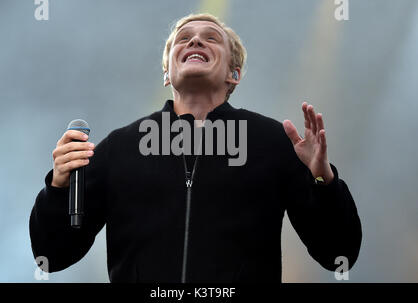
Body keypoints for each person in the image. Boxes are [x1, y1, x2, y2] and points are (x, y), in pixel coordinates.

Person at [29, 13, 362, 283]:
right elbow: (52, 255)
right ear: (166, 74)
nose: (196, 40)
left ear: (234, 74)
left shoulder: (273, 142)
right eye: (184, 38)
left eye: (211, 37)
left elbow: (339, 255)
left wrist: (323, 181)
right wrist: (58, 188)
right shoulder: (120, 148)